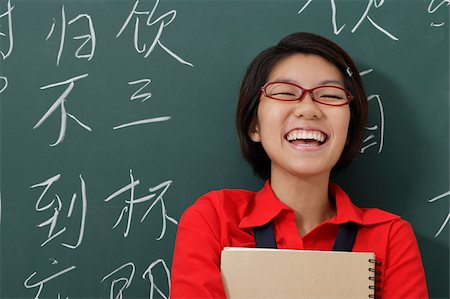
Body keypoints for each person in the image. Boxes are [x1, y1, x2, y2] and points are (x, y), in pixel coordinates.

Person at [170, 32, 428, 298]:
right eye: (284, 92)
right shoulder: (213, 220)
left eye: (329, 95)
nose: (308, 109)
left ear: (349, 130)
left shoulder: (389, 236)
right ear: (254, 125)